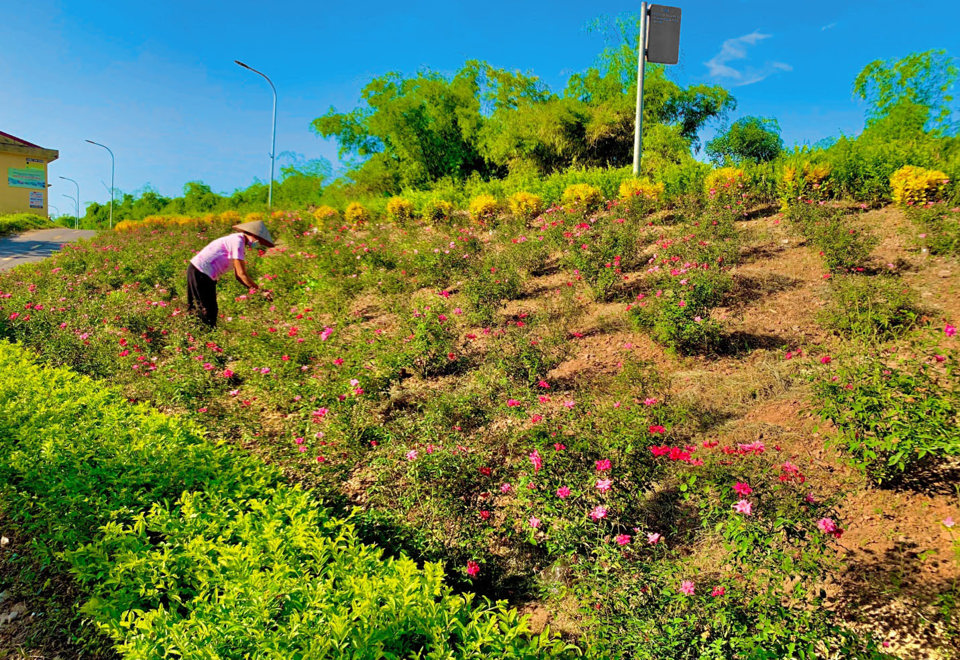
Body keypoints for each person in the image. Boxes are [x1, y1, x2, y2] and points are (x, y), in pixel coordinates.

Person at [186, 219, 275, 327]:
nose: (259, 244)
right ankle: (199, 339)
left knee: (208, 310)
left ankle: (200, 337)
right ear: (252, 235)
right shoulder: (238, 242)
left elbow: (239, 275)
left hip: (204, 274)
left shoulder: (237, 240)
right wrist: (260, 291)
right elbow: (241, 275)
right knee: (205, 311)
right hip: (200, 272)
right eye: (259, 240)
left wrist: (256, 290)